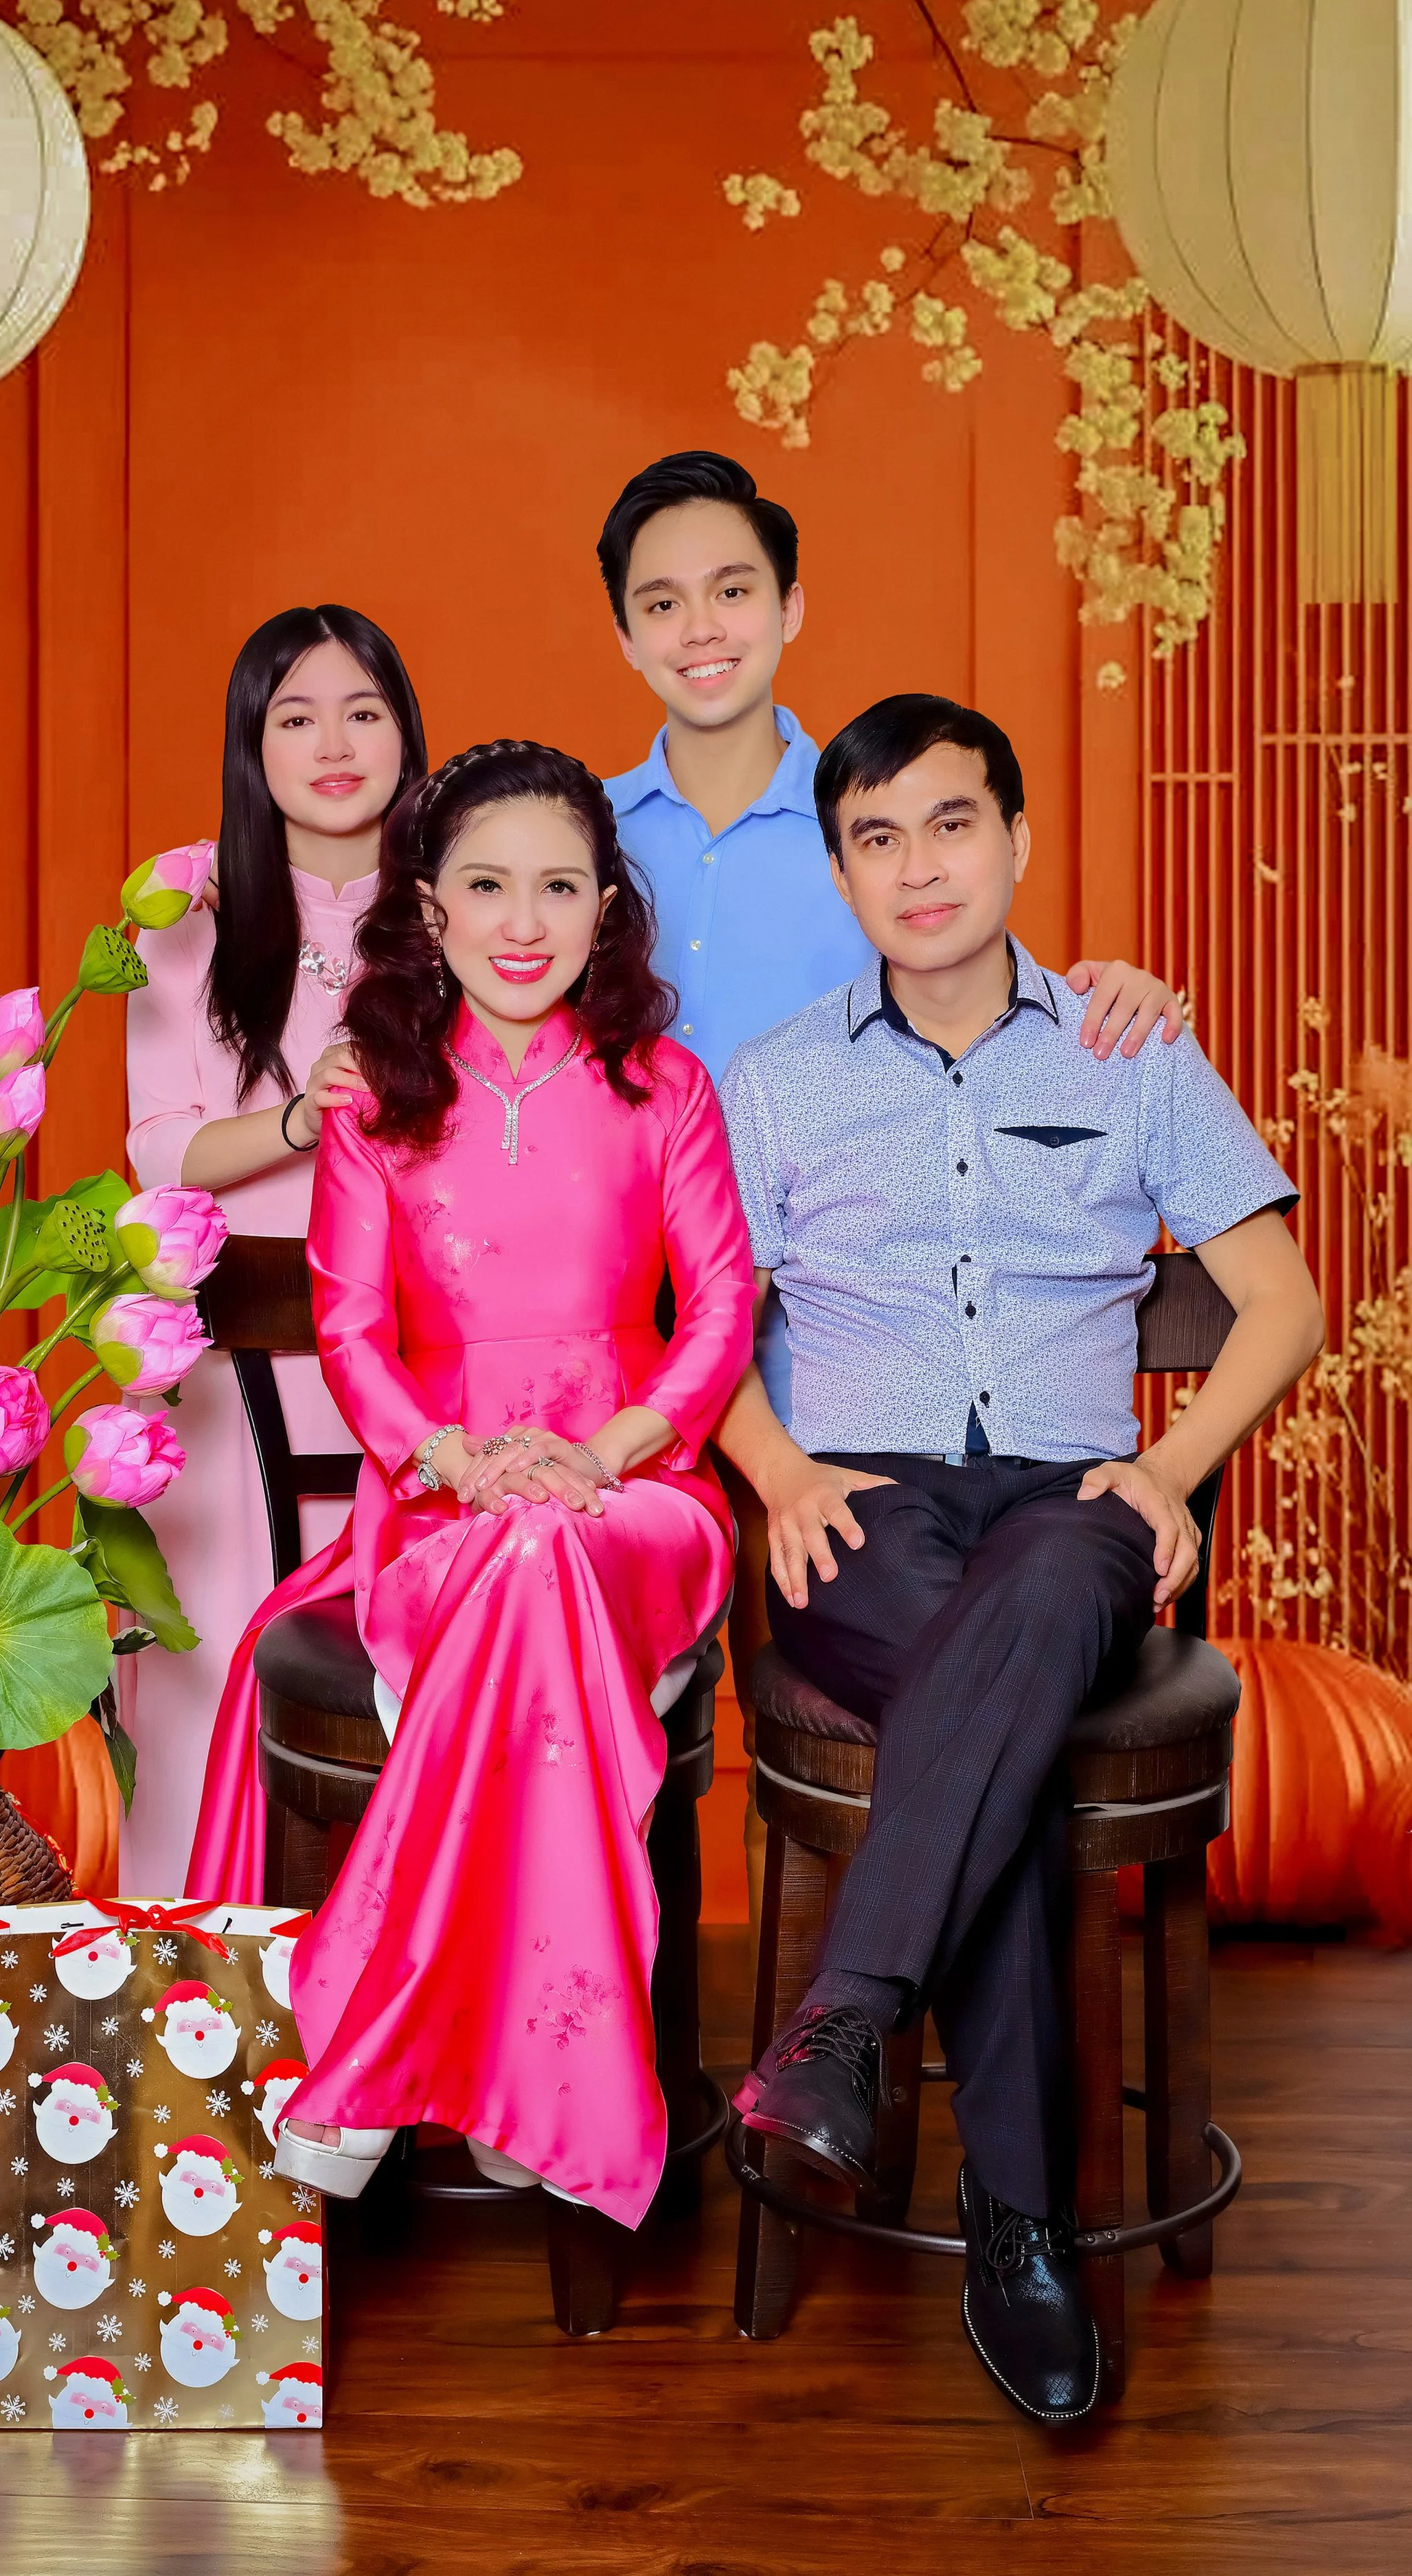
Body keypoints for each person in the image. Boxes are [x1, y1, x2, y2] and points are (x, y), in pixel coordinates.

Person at [716, 692, 1325, 2422]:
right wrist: (767, 1473)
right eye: (875, 838)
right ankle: (1018, 2223)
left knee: (1061, 1569)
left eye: (951, 824)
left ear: (1018, 840)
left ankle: (849, 2026)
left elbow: (1276, 1298)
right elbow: (689, 1336)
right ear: (838, 871)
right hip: (860, 1511)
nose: (918, 867)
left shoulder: (1129, 1049)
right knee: (1002, 1723)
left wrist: (1168, 1464)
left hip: (1074, 1501)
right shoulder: (768, 1089)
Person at [596, 449, 1190, 1921]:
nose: (702, 628)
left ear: (790, 604)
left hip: (867, 1376)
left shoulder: (878, 813)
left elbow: (990, 1019)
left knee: (913, 1683)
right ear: (621, 635)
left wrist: (1104, 987)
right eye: (660, 603)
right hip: (652, 1359)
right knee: (645, 1731)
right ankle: (675, 2071)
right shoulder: (582, 851)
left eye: (732, 589)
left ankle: (829, 2041)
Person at [185, 740, 755, 2225]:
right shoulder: (379, 1102)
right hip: (434, 1502)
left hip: (641, 1499)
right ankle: (526, 2072)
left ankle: (363, 2051)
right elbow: (349, 1329)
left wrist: (607, 1452)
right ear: (425, 911)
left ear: (604, 904)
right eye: (486, 886)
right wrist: (448, 1458)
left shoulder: (664, 1087)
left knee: (553, 1549)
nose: (524, 921)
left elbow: (716, 1319)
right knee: (512, 1558)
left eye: (559, 885)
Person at [119, 605, 427, 1891]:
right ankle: (210, 1989)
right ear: (254, 747)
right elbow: (159, 1153)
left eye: (363, 710)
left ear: (408, 732)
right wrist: (299, 1114)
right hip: (231, 1352)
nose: (334, 743)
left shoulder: (464, 903)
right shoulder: (184, 907)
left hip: (414, 1357)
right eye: (294, 718)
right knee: (199, 1659)